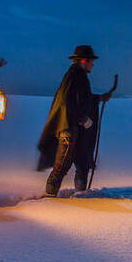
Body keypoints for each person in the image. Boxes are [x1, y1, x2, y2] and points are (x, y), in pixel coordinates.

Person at [37, 45, 111, 196]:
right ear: (83, 60)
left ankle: (81, 195)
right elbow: (67, 101)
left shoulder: (78, 75)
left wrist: (98, 98)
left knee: (82, 163)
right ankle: (49, 198)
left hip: (72, 129)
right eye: (91, 61)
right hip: (68, 130)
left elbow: (82, 99)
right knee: (62, 166)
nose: (93, 64)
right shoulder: (75, 75)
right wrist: (82, 118)